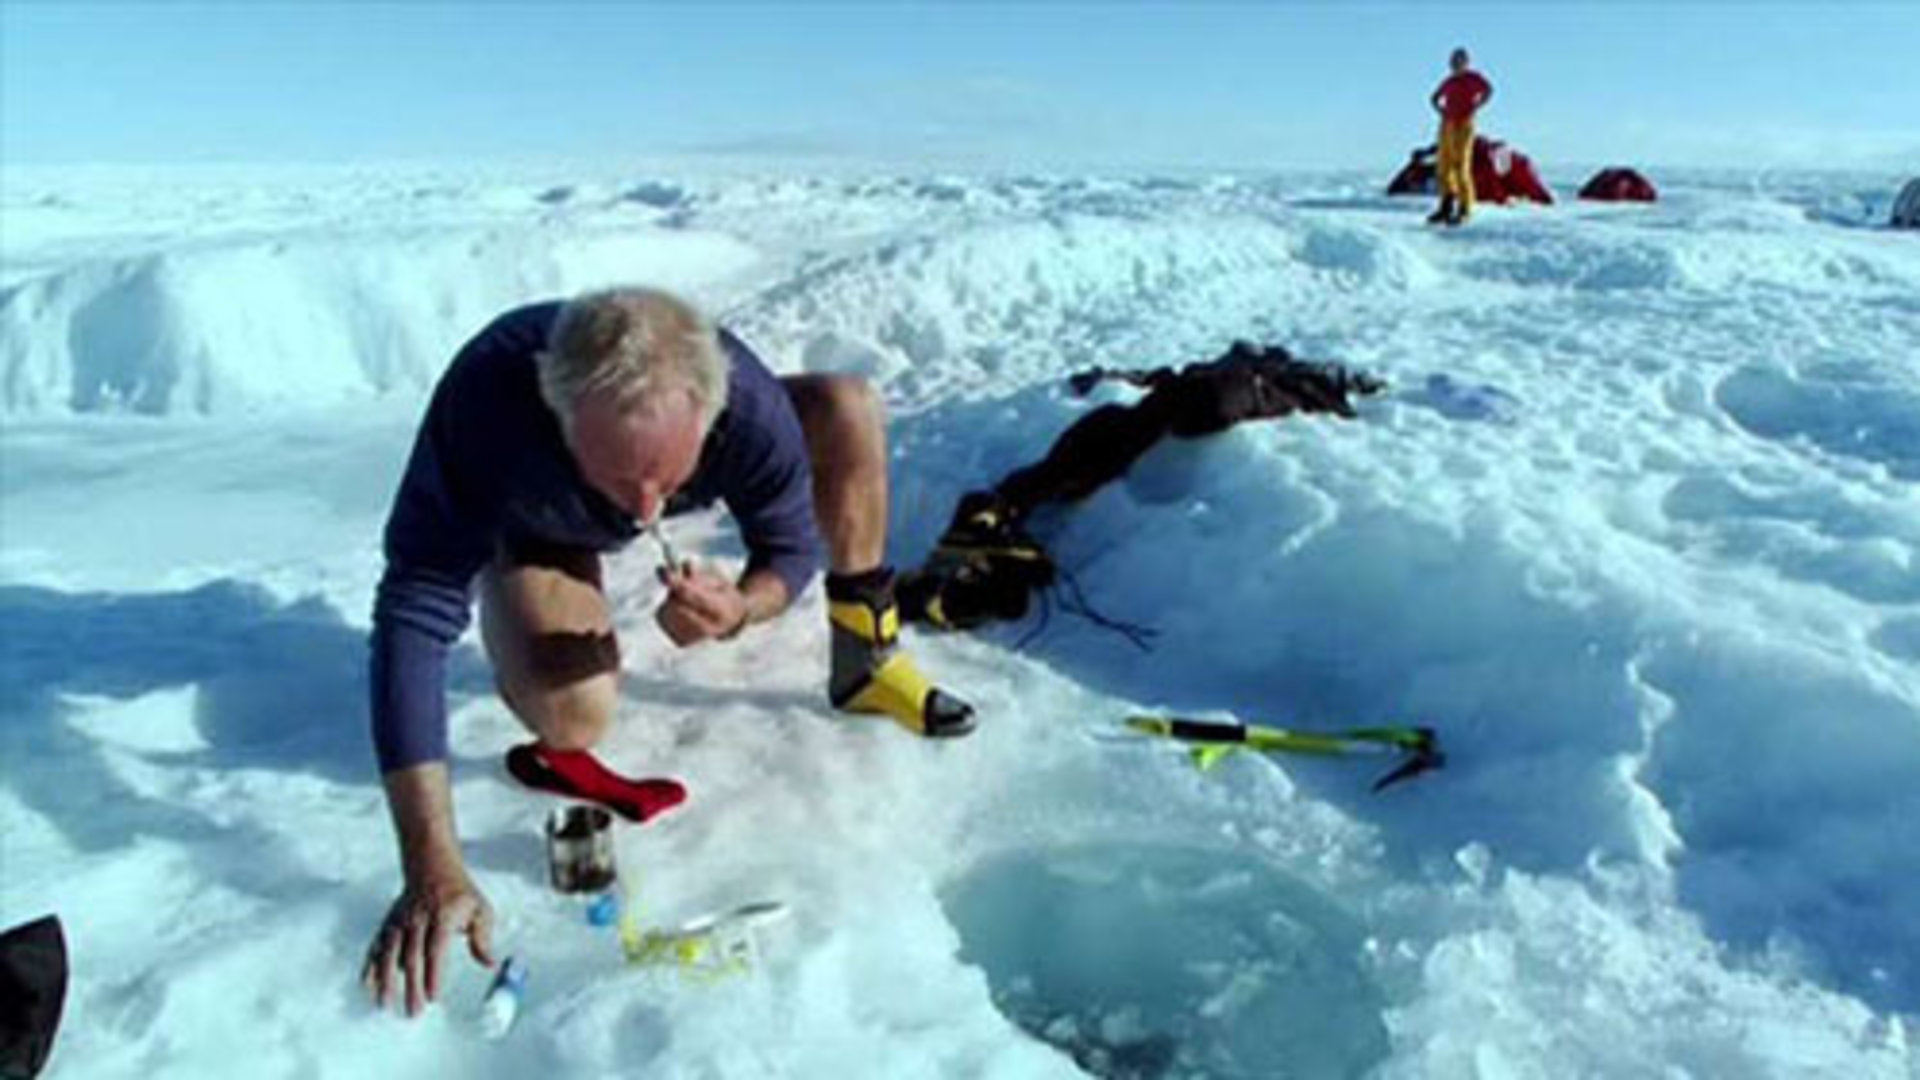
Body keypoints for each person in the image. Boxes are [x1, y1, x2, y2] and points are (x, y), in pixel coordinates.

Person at [358, 287, 974, 1017]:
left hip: (705, 433)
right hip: (538, 519)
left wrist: (742, 606)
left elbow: (790, 549)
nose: (648, 512)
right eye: (623, 478)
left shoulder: (743, 407)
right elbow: (414, 609)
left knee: (845, 406)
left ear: (710, 415)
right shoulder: (487, 408)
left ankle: (864, 659)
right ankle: (517, 565)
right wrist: (431, 862)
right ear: (561, 417)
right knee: (572, 716)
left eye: (670, 482)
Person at [901, 342, 1382, 634]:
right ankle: (997, 521)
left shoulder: (1280, 374)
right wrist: (1114, 376)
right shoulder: (1248, 373)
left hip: (1187, 404)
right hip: (1187, 403)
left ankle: (998, 511)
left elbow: (1168, 380)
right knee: (1126, 425)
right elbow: (1165, 377)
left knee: (1127, 427)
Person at [1428, 47, 1493, 226]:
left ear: (1465, 62)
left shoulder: (1472, 78)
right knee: (1444, 165)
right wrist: (1442, 111)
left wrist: (1476, 106)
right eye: (1453, 61)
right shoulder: (1449, 81)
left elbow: (1488, 90)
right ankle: (1446, 204)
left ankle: (1465, 207)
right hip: (1447, 124)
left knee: (1460, 164)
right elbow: (1434, 98)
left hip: (1464, 123)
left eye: (1459, 61)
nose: (1455, 65)